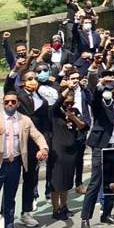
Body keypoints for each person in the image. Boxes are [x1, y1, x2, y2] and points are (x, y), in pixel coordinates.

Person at [80, 70, 114, 228]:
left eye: (112, 88)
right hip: (102, 146)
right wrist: (101, 85)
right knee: (95, 183)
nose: (110, 90)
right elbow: (95, 99)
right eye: (107, 88)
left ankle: (107, 214)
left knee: (113, 184)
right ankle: (85, 218)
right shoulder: (101, 103)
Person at [0, 91, 49, 228]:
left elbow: (38, 136)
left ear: (18, 104)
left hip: (14, 163)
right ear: (3, 102)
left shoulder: (25, 120)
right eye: (7, 101)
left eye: (13, 102)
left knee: (10, 197)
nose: (10, 104)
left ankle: (9, 225)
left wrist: (43, 148)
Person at [49, 87, 89, 220]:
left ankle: (64, 206)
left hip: (71, 151)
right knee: (57, 182)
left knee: (66, 181)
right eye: (67, 102)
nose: (69, 105)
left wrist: (73, 117)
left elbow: (84, 126)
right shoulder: (54, 112)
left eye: (71, 103)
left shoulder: (74, 111)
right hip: (58, 151)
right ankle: (56, 210)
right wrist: (68, 89)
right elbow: (57, 102)